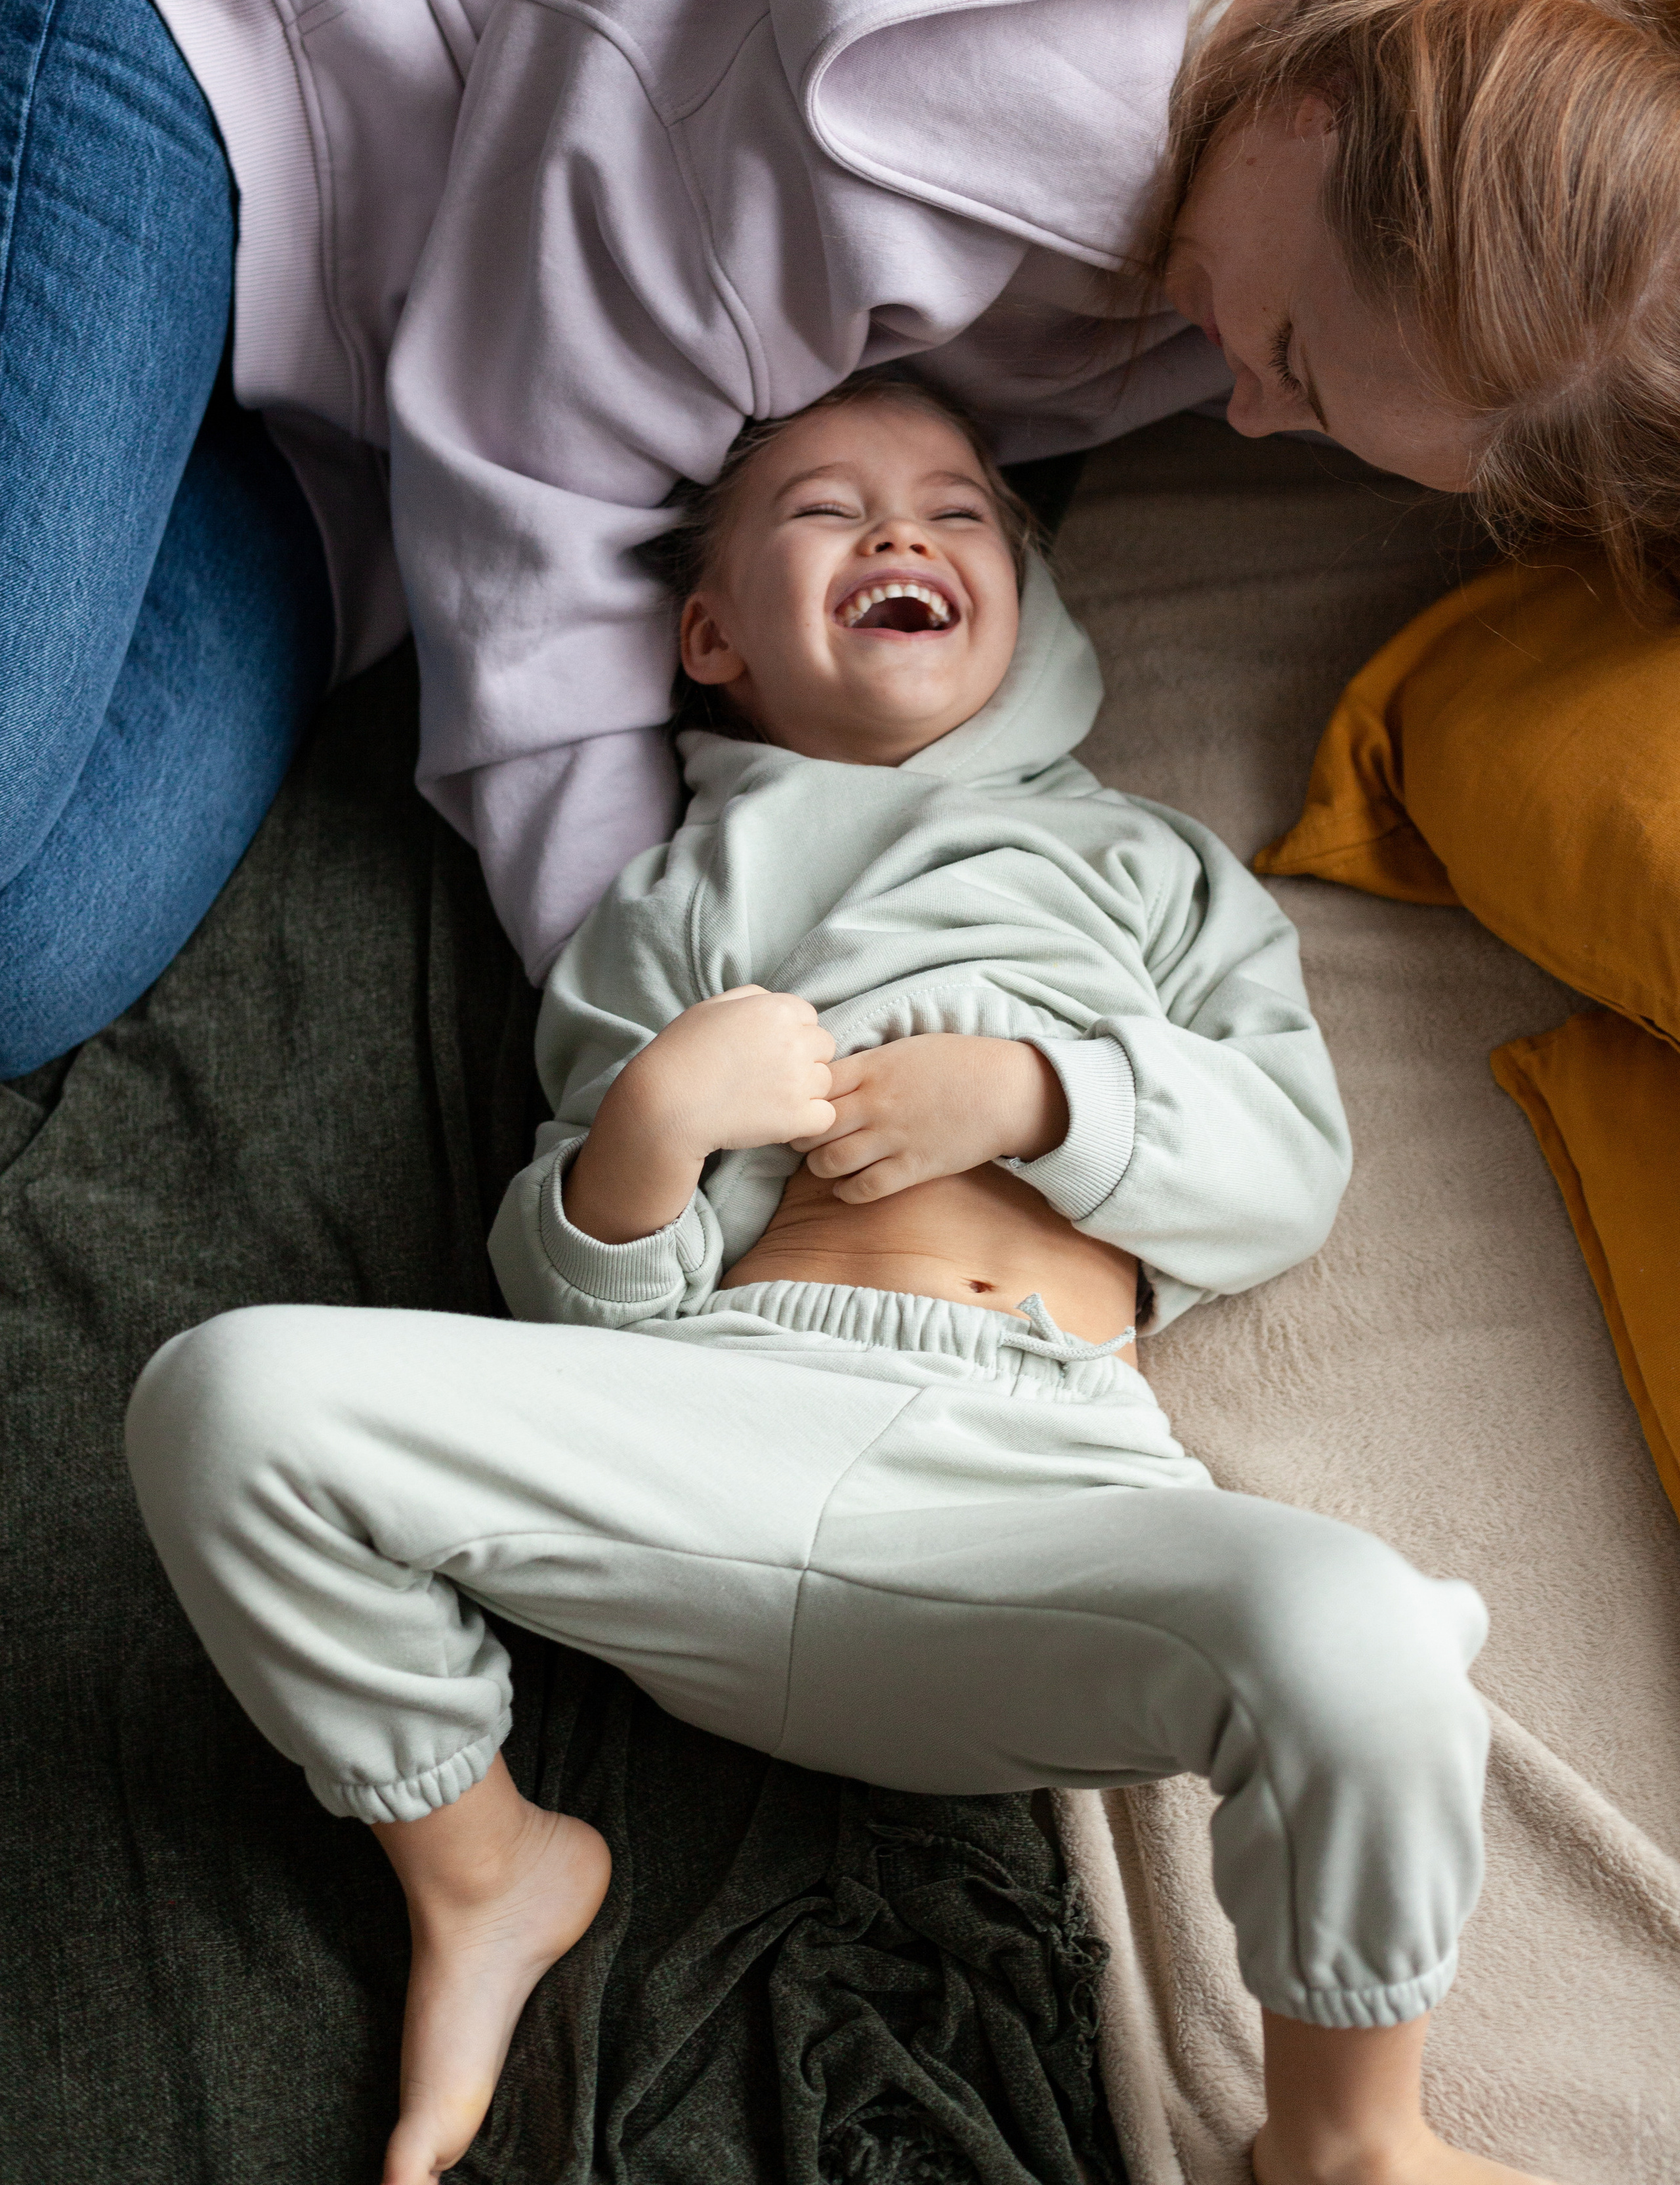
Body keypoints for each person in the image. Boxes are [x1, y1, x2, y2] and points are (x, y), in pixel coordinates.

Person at [129, 375, 1563, 2185]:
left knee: (1358, 1635)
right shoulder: (674, 896)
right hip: (721, 1431)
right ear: (711, 631)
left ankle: (1349, 2137)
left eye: (960, 509)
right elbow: (590, 1321)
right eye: (824, 506)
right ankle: (487, 1864)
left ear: (1027, 603)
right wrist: (648, 1132)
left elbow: (1289, 1164)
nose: (902, 532)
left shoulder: (1147, 866)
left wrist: (1047, 1094)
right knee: (225, 1394)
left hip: (1039, 1487)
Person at [6, 0, 1680, 1072]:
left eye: (1306, 425)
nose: (1241, 407)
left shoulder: (1333, 173)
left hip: (345, 445)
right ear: (1321, 110)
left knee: (30, 960)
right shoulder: (887, 102)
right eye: (1293, 360)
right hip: (233, 77)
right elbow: (535, 481)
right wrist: (652, 1014)